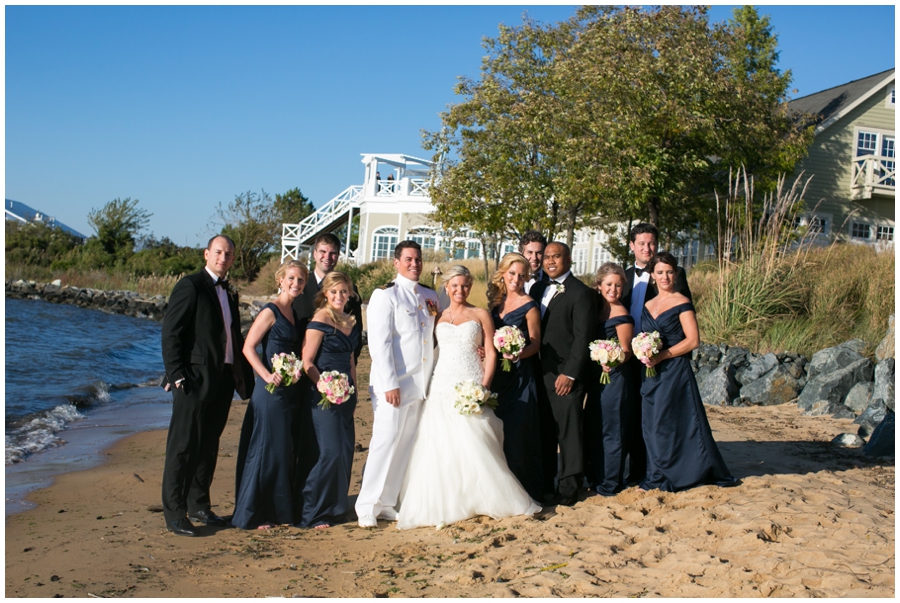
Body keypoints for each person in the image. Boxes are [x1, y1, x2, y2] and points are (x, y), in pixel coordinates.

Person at [397, 265, 541, 529]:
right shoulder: (437, 316)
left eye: (464, 285)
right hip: (442, 382)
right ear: (447, 287)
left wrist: (484, 386)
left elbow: (491, 350)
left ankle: (484, 496)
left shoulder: (480, 313)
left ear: (470, 286)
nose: (460, 290)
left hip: (471, 380)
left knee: (475, 438)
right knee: (440, 440)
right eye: (454, 285)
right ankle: (450, 499)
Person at [160, 235, 254, 536]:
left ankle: (199, 504)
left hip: (222, 379)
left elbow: (231, 337)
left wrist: (242, 377)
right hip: (192, 380)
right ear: (206, 254)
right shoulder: (190, 285)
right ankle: (175, 512)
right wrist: (174, 373)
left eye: (228, 254)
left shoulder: (230, 291)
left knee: (208, 445)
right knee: (183, 446)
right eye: (218, 252)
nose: (223, 258)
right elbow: (171, 332)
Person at [355, 241, 439, 528]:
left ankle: (387, 503)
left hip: (420, 384)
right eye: (408, 259)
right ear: (396, 262)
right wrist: (390, 383)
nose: (414, 264)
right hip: (393, 384)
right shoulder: (385, 295)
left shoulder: (429, 294)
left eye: (418, 259)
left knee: (404, 444)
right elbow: (380, 344)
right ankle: (366, 506)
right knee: (384, 441)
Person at [639, 252, 736, 492]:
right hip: (651, 372)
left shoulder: (682, 301)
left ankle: (684, 472)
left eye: (670, 272)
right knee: (651, 425)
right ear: (652, 275)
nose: (665, 277)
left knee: (672, 422)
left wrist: (663, 355)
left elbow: (693, 341)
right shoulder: (647, 304)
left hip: (674, 370)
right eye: (660, 272)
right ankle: (657, 473)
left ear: (676, 274)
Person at [232, 260, 308, 529]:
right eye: (291, 278)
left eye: (300, 280)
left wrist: (295, 372)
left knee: (279, 451)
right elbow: (248, 347)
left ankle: (275, 511)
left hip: (287, 392)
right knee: (264, 450)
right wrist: (266, 376)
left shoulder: (293, 314)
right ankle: (254, 514)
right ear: (280, 279)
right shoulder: (271, 311)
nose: (295, 284)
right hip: (270, 391)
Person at [619, 222, 692, 486]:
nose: (647, 248)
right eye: (641, 244)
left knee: (660, 417)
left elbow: (683, 318)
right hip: (628, 358)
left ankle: (658, 469)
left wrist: (666, 356)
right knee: (634, 415)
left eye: (651, 243)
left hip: (662, 360)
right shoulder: (624, 277)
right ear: (632, 246)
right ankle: (638, 470)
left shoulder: (672, 274)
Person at [529, 242, 599, 506]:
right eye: (546, 257)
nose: (549, 261)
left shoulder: (581, 293)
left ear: (568, 259)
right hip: (539, 372)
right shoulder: (536, 288)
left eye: (555, 256)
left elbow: (584, 338)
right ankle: (546, 482)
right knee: (545, 431)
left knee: (568, 433)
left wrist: (570, 374)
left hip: (565, 376)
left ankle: (569, 487)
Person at [297, 271, 361, 528]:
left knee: (345, 452)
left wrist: (353, 391)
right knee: (330, 452)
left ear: (350, 293)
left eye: (343, 291)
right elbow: (307, 362)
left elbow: (351, 360)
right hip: (323, 394)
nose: (339, 296)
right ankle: (312, 512)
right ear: (325, 293)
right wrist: (325, 387)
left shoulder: (350, 319)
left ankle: (336, 508)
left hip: (347, 393)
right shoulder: (320, 318)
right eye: (333, 291)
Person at [487, 253, 544, 501]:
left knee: (518, 432)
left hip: (520, 375)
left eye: (522, 275)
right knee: (496, 430)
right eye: (512, 273)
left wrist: (517, 354)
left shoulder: (530, 306)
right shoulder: (495, 302)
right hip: (497, 376)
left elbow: (536, 343)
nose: (516, 279)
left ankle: (524, 490)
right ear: (503, 273)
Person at [583, 263, 634, 496]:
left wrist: (611, 359)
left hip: (614, 377)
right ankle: (595, 476)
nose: (613, 289)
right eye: (609, 284)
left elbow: (626, 350)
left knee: (612, 429)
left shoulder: (621, 314)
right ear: (599, 285)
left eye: (618, 285)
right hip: (595, 378)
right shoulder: (595, 309)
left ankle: (610, 481)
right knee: (594, 426)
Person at [292, 232, 363, 361]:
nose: (327, 257)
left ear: (338, 256)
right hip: (300, 366)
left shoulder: (349, 290)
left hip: (335, 369)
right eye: (323, 252)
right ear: (314, 254)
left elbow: (356, 333)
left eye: (333, 253)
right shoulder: (297, 286)